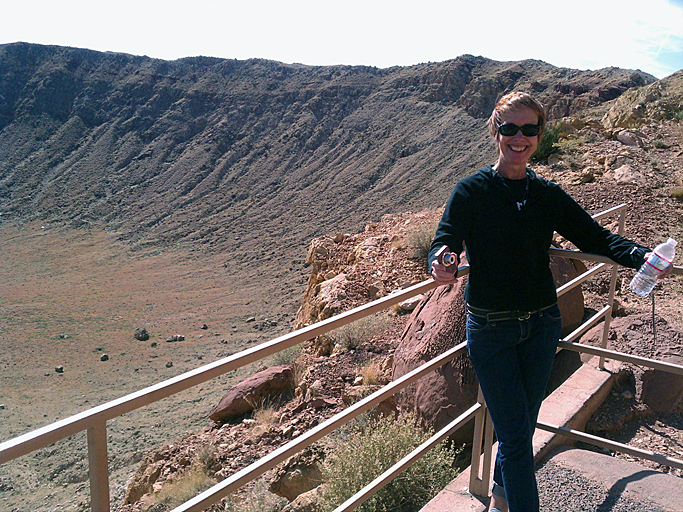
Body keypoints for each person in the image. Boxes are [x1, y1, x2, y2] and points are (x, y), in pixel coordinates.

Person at [428, 91, 672, 512]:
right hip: (491, 330)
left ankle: (503, 499)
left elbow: (595, 238)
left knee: (518, 430)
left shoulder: (546, 194)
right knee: (519, 438)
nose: (518, 138)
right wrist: (442, 260)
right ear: (495, 131)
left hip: (541, 325)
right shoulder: (471, 191)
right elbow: (444, 239)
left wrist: (639, 256)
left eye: (529, 129)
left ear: (540, 134)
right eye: (509, 128)